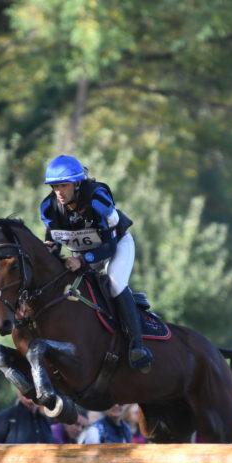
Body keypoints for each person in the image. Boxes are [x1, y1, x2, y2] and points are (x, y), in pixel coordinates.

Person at [39, 154, 152, 373]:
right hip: (81, 252)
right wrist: (48, 251)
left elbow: (108, 247)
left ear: (77, 183)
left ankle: (137, 345)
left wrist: (81, 260)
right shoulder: (49, 207)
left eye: (64, 185)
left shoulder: (98, 200)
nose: (59, 192)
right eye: (54, 186)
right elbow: (53, 242)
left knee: (114, 283)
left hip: (116, 245)